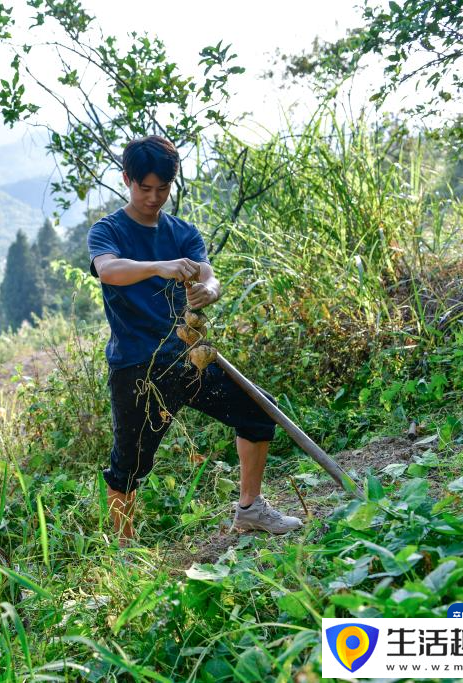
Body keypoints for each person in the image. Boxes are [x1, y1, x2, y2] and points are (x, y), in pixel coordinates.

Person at [88, 135, 303, 545]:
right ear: (126, 180)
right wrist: (160, 267)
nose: (154, 198)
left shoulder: (182, 232)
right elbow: (110, 270)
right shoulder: (108, 230)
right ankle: (123, 548)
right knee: (129, 465)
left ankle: (250, 509)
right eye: (144, 188)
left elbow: (207, 274)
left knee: (259, 411)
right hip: (137, 367)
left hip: (191, 358)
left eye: (163, 189)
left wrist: (211, 290)